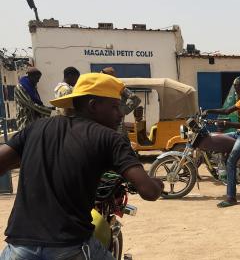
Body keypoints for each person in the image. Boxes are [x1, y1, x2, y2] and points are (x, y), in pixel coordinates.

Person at [0, 73, 164, 260]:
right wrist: (157, 184)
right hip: (70, 247)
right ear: (93, 105)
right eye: (115, 106)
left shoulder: (37, 128)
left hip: (19, 248)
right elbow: (149, 192)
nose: (120, 113)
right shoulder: (110, 138)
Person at [203, 76, 240, 208]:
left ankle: (231, 198)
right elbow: (227, 110)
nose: (235, 89)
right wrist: (208, 111)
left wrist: (225, 123)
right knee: (215, 137)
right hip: (239, 133)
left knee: (231, 161)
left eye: (237, 86)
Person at [100, 66, 141, 135]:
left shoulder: (120, 88)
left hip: (118, 126)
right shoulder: (102, 89)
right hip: (105, 126)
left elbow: (136, 99)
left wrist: (123, 110)